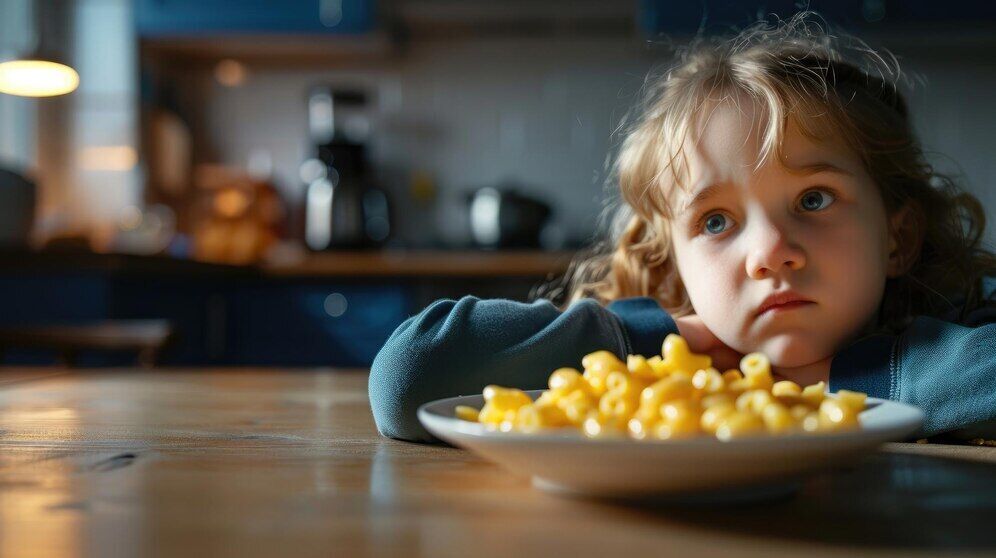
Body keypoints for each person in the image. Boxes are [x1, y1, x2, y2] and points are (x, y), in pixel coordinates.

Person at [369, 13, 996, 443]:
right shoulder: (643, 371)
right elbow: (407, 379)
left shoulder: (958, 336)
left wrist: (836, 383)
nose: (770, 252)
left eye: (813, 199)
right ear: (674, 264)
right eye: (716, 221)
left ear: (899, 237)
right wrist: (668, 337)